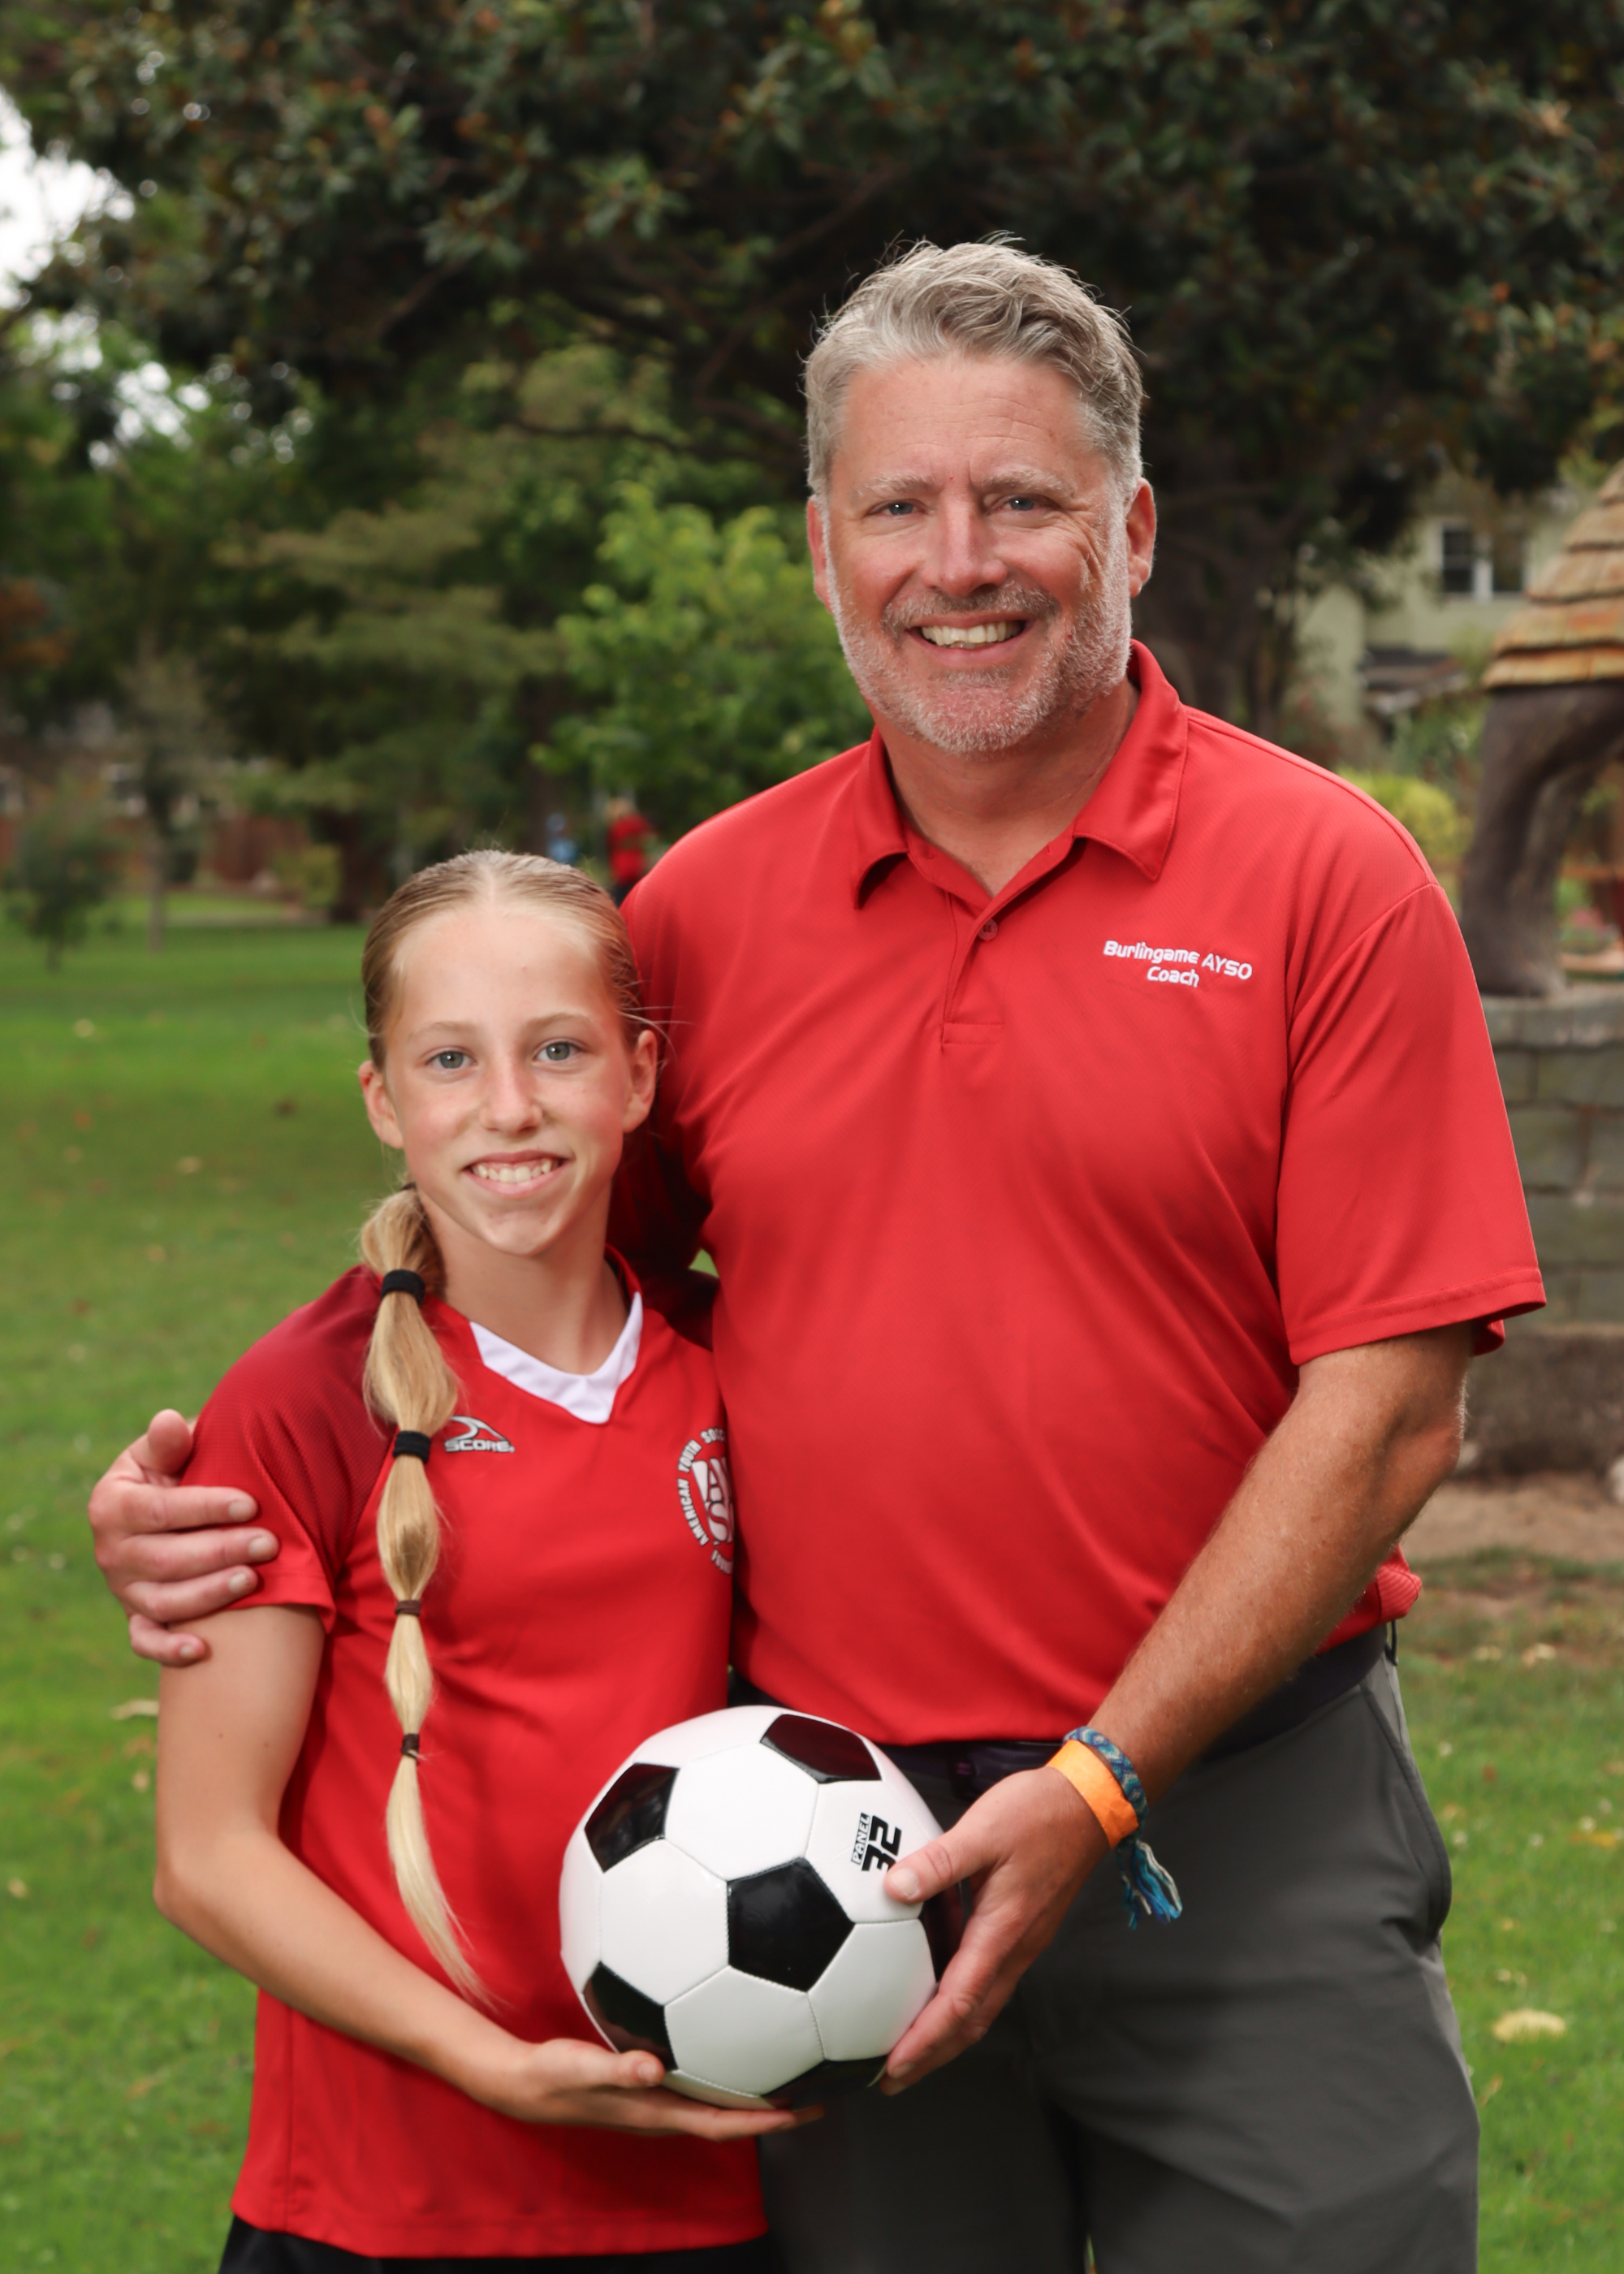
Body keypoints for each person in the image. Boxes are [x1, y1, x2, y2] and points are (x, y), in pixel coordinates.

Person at [93, 244, 1543, 2274]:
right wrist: (247, 1480)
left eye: (1021, 500)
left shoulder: (1325, 881)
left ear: (1130, 529)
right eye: (897, 506)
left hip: (1237, 1817)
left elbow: (1387, 1401)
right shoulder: (701, 914)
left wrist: (1101, 1779)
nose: (959, 563)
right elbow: (528, 1275)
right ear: (819, 549)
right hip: (810, 1857)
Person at [151, 850, 799, 2272]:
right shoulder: (304, 1398)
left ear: (638, 1075)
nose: (510, 1106)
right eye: (451, 1059)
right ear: (385, 1100)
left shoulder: (734, 1356)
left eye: (558, 1050)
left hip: (701, 2192)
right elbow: (207, 1856)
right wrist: (483, 2061)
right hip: (380, 2205)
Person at [606, 798, 655, 907]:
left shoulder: (617, 827)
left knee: (621, 899)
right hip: (636, 866)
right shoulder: (637, 824)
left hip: (623, 868)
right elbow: (647, 838)